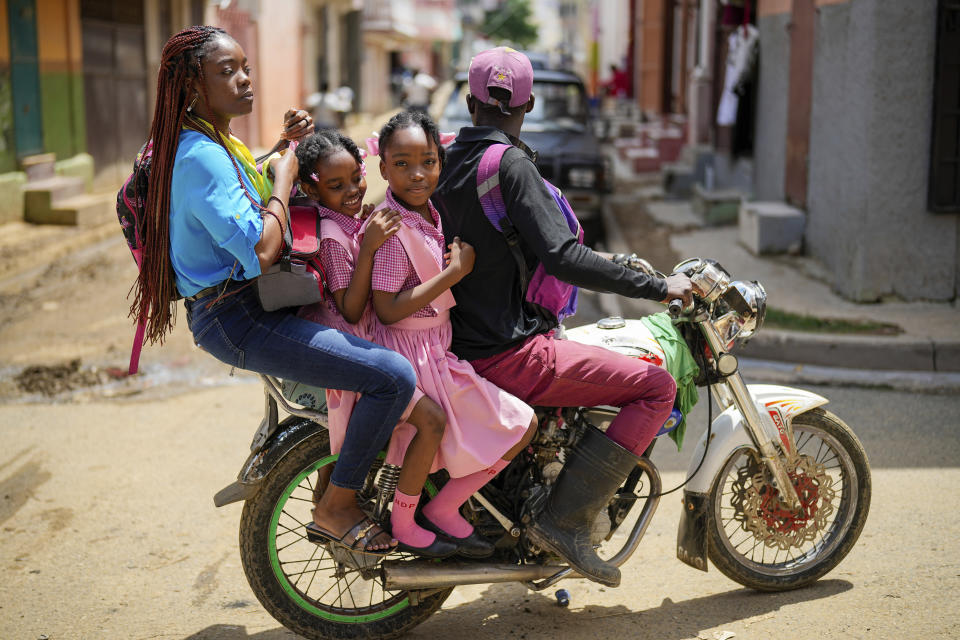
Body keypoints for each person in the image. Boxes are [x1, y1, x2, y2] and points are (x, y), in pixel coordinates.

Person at [131, 26, 418, 556]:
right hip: (238, 314)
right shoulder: (199, 156)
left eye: (245, 67)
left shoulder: (212, 140)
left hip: (255, 301)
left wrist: (282, 152)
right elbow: (260, 247)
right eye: (226, 72)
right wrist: (285, 178)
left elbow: (244, 196)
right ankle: (337, 505)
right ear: (192, 84)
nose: (243, 79)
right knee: (393, 377)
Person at [433, 47, 694, 586]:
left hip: (452, 340)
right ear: (527, 103)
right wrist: (657, 285)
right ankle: (566, 522)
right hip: (507, 352)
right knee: (656, 388)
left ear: (468, 102)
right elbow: (565, 257)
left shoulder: (441, 158)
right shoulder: (510, 164)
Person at [365, 110, 539, 557]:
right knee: (455, 425)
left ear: (441, 162)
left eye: (427, 161)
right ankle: (405, 521)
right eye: (401, 164)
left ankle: (445, 507)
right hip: (408, 355)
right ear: (383, 169)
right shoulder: (390, 228)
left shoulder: (427, 213)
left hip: (435, 349)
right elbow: (387, 311)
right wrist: (454, 274)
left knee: (521, 426)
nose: (417, 174)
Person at [293, 130, 456, 558]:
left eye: (356, 178)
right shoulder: (332, 235)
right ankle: (403, 521)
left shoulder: (347, 219)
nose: (352, 191)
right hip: (355, 351)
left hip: (368, 343)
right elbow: (350, 309)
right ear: (311, 188)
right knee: (431, 420)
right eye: (336, 185)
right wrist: (367, 249)